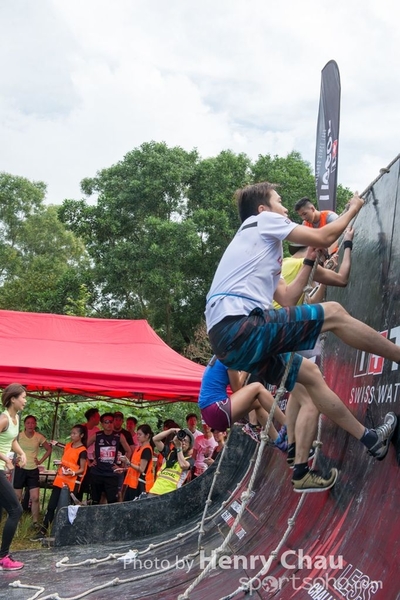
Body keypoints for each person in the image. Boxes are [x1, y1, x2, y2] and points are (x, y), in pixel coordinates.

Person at [205, 181, 399, 493]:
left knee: (309, 376)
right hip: (239, 325)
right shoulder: (261, 221)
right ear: (263, 209)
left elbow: (288, 298)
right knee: (334, 312)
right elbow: (324, 236)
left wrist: (310, 258)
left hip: (230, 341)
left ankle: (365, 442)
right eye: (279, 201)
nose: (285, 209)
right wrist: (352, 209)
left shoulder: (262, 254)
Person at [198, 357, 287, 449]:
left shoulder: (219, 356)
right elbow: (237, 388)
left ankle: (278, 440)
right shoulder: (229, 357)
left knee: (258, 402)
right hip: (216, 409)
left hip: (208, 413)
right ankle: (287, 424)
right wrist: (246, 369)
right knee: (258, 387)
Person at [31, 424, 87, 541]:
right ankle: (43, 531)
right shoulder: (69, 446)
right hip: (60, 481)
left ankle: (66, 533)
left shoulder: (83, 451)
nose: (72, 435)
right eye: (71, 433)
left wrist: (72, 472)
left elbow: (82, 469)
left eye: (75, 433)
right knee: (51, 506)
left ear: (81, 435)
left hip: (72, 484)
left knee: (68, 508)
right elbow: (65, 453)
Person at [0, 384, 27, 570]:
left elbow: (12, 440)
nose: (25, 401)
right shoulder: (3, 419)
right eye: (23, 397)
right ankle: (3, 557)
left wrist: (22, 453)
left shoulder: (16, 418)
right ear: (13, 399)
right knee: (16, 510)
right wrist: (6, 459)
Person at [13, 415, 52, 529]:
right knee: (17, 497)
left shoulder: (39, 436)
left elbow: (49, 449)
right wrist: (13, 459)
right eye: (28, 423)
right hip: (20, 468)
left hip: (33, 470)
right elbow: (8, 448)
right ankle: (17, 521)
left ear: (35, 424)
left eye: (33, 423)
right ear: (24, 424)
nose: (30, 425)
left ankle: (35, 522)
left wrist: (40, 461)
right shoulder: (18, 436)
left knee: (35, 497)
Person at [88, 413, 131, 504]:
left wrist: (122, 466)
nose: (109, 424)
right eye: (106, 422)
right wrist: (89, 462)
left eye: (111, 422)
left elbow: (128, 451)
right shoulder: (97, 435)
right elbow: (83, 447)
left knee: (112, 500)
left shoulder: (119, 436)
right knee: (95, 500)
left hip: (112, 473)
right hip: (97, 472)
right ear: (102, 424)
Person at [148, 428, 194, 496]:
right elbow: (155, 439)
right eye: (181, 440)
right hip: (155, 490)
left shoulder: (190, 460)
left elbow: (183, 465)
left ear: (189, 445)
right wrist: (171, 430)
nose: (182, 442)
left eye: (185, 441)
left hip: (170, 495)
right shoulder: (169, 454)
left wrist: (179, 447)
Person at [123, 424, 154, 500]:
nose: (137, 436)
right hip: (132, 483)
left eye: (140, 434)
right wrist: (125, 469)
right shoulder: (138, 448)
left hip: (140, 484)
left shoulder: (146, 449)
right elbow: (135, 465)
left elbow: (142, 469)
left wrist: (128, 463)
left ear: (147, 436)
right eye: (137, 434)